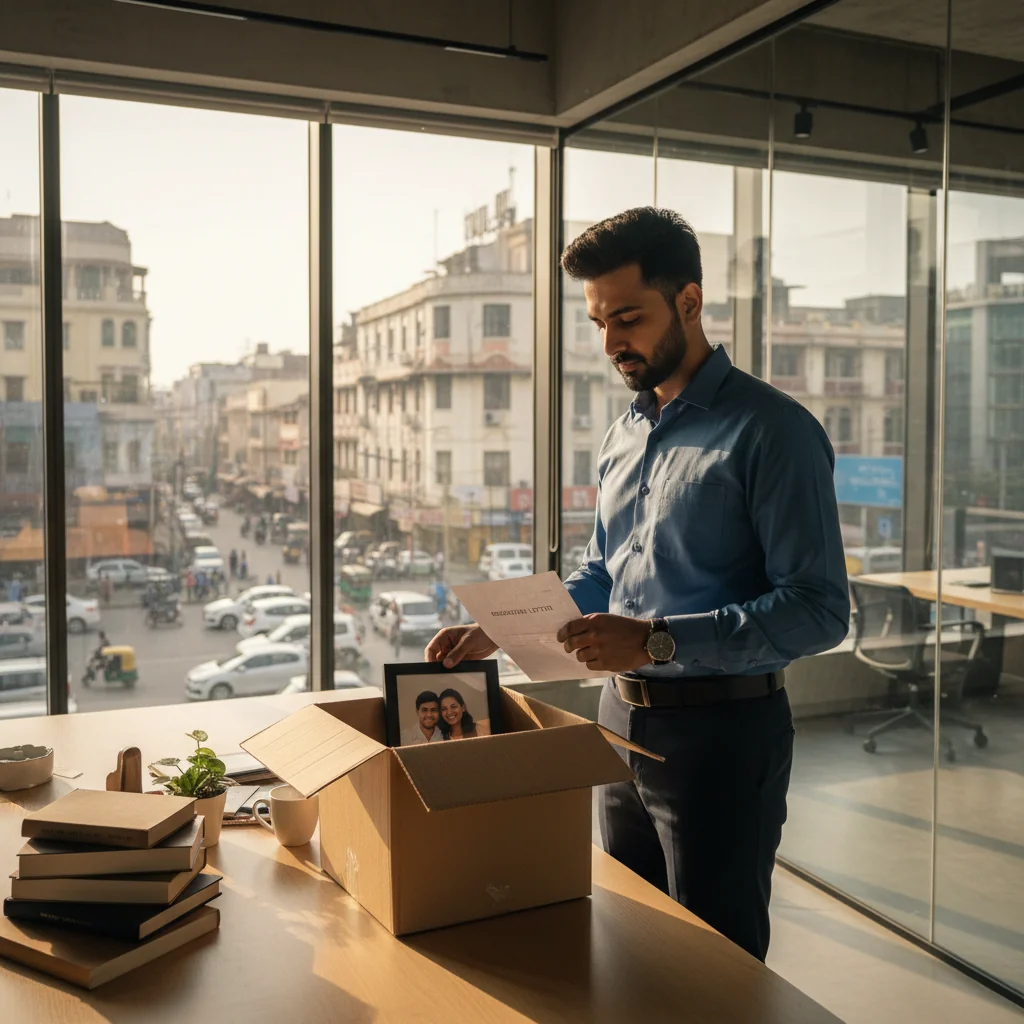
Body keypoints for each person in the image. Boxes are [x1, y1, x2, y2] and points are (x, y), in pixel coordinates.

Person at [424, 207, 849, 963]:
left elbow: (819, 610)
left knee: (715, 967)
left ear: (688, 301)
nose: (612, 341)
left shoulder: (772, 431)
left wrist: (656, 640)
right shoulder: (625, 431)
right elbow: (604, 571)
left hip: (722, 737)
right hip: (616, 723)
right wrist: (505, 625)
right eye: (597, 322)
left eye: (628, 317)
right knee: (629, 946)